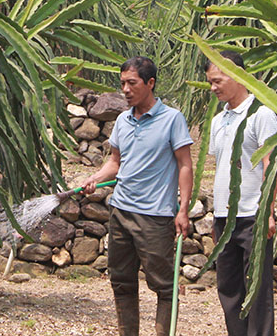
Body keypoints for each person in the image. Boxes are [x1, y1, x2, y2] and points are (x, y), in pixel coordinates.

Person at [81, 56, 194, 336]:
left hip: (155, 216)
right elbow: (115, 163)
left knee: (164, 285)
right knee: (121, 282)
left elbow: (185, 165)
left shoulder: (172, 119)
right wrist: (95, 179)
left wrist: (183, 209)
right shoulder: (122, 120)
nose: (126, 90)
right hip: (120, 211)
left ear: (150, 83)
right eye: (122, 84)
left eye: (132, 83)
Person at [206, 50, 277, 336]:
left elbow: (270, 164)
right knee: (229, 288)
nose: (213, 88)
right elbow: (220, 168)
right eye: (210, 82)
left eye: (217, 81)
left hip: (253, 216)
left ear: (237, 74)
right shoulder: (217, 120)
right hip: (225, 218)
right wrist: (216, 215)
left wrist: (268, 212)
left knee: (257, 292)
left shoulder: (261, 114)